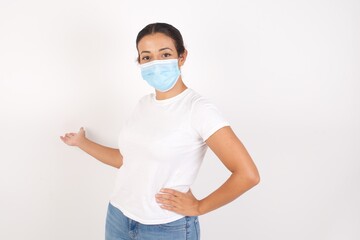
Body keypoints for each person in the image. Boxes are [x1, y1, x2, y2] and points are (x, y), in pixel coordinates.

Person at [60, 22, 260, 240]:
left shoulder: (199, 109)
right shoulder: (143, 104)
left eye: (165, 54)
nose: (155, 63)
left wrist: (199, 207)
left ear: (182, 57)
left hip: (166, 227)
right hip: (118, 216)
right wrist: (82, 143)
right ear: (140, 62)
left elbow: (247, 174)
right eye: (147, 57)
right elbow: (127, 160)